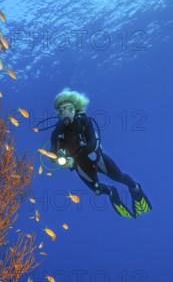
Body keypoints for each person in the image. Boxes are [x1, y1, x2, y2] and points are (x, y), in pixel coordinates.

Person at [48, 88, 152, 218]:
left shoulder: (85, 121)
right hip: (80, 166)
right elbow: (51, 155)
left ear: (76, 109)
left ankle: (135, 188)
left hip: (96, 159)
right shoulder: (58, 131)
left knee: (119, 177)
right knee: (97, 190)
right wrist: (59, 156)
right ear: (58, 114)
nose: (66, 113)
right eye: (61, 111)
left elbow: (91, 144)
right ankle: (111, 192)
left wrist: (71, 158)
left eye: (69, 108)